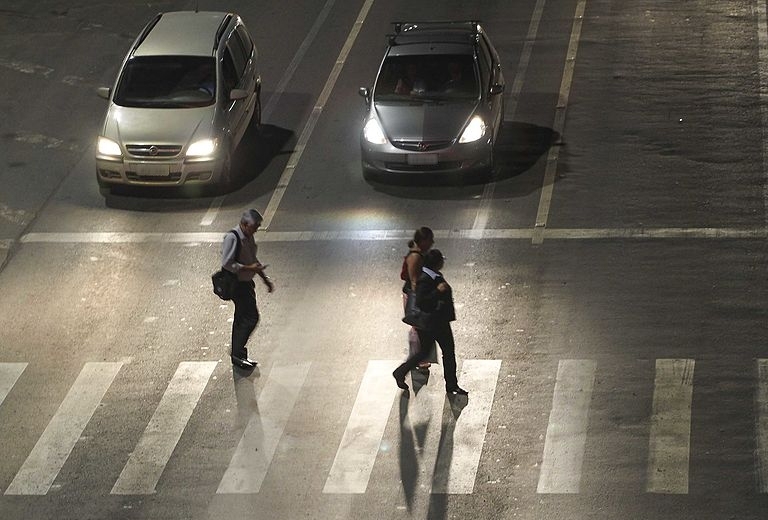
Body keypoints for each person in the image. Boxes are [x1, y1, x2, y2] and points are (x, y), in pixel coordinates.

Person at [393, 249, 468, 396]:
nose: (443, 263)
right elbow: (422, 302)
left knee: (446, 352)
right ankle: (400, 372)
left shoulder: (435, 275)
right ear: (436, 263)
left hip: (440, 322)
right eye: (441, 260)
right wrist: (438, 292)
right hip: (430, 325)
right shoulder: (425, 279)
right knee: (427, 353)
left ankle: (451, 385)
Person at [221, 209, 274, 369]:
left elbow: (253, 260)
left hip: (246, 283)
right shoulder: (233, 238)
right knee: (251, 318)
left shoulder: (248, 238)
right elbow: (227, 263)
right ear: (244, 224)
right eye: (254, 226)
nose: (256, 229)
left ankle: (238, 354)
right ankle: (237, 353)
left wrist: (265, 279)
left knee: (241, 318)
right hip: (237, 285)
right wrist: (248, 267)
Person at [402, 227, 435, 370]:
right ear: (422, 240)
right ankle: (416, 360)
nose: (432, 242)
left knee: (419, 328)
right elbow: (414, 280)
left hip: (416, 295)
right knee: (418, 327)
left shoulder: (420, 253)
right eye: (429, 240)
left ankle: (418, 358)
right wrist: (419, 302)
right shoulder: (415, 256)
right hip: (414, 296)